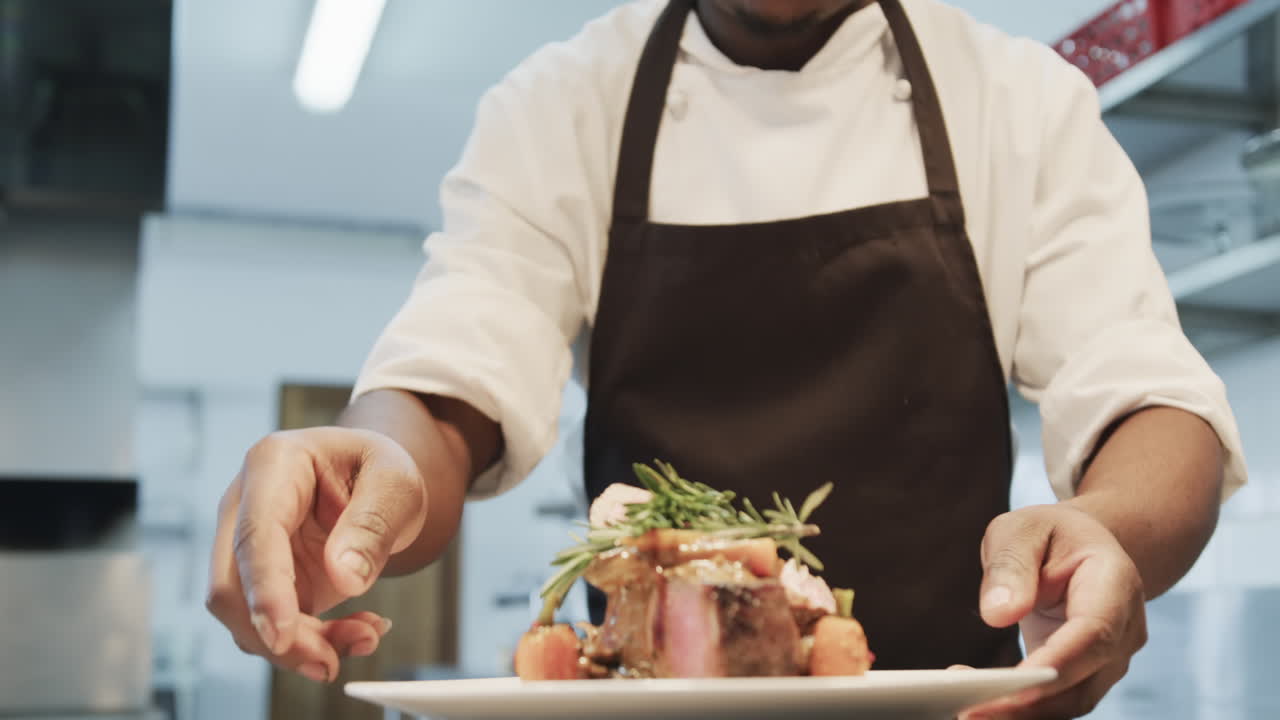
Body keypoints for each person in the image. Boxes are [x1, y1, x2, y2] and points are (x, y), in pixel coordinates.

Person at [205, 0, 1247, 716]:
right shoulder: (561, 106)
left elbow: (1148, 403)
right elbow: (443, 394)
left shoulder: (1017, 101)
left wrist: (1104, 534)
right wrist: (361, 478)